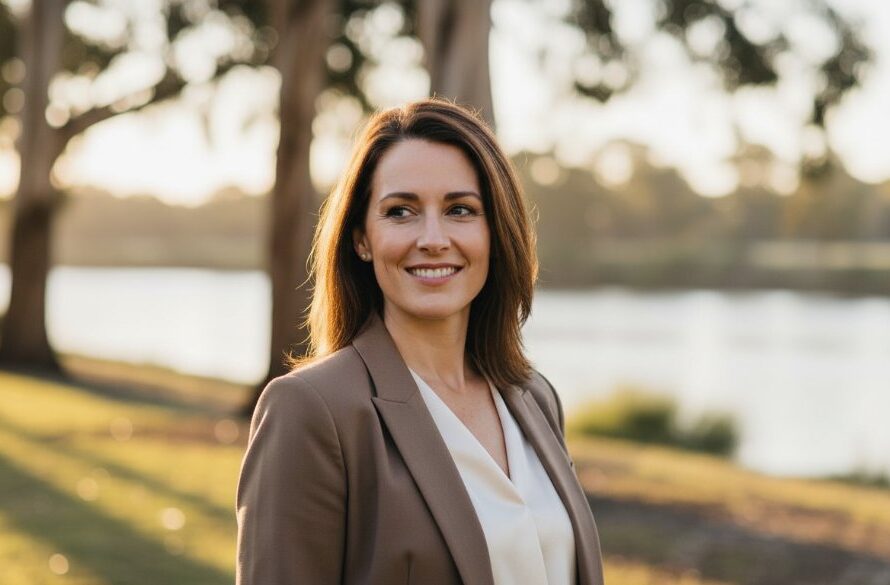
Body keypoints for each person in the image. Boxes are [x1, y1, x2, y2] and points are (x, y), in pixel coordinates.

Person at [236, 98, 604, 585]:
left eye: (460, 210)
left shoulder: (534, 398)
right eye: (401, 211)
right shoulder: (311, 409)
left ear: (495, 232)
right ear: (361, 239)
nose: (433, 238)